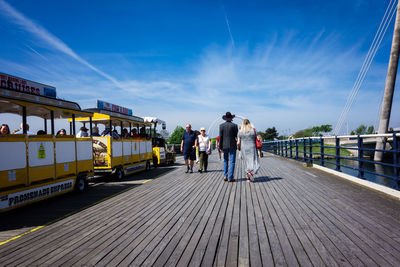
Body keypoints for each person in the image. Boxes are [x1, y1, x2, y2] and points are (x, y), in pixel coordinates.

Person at [219, 112, 238, 182]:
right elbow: (236, 136)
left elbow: (220, 137)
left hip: (224, 146)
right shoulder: (234, 125)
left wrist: (220, 147)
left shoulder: (221, 126)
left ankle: (225, 176)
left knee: (225, 161)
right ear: (231, 118)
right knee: (232, 162)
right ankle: (230, 177)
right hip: (233, 145)